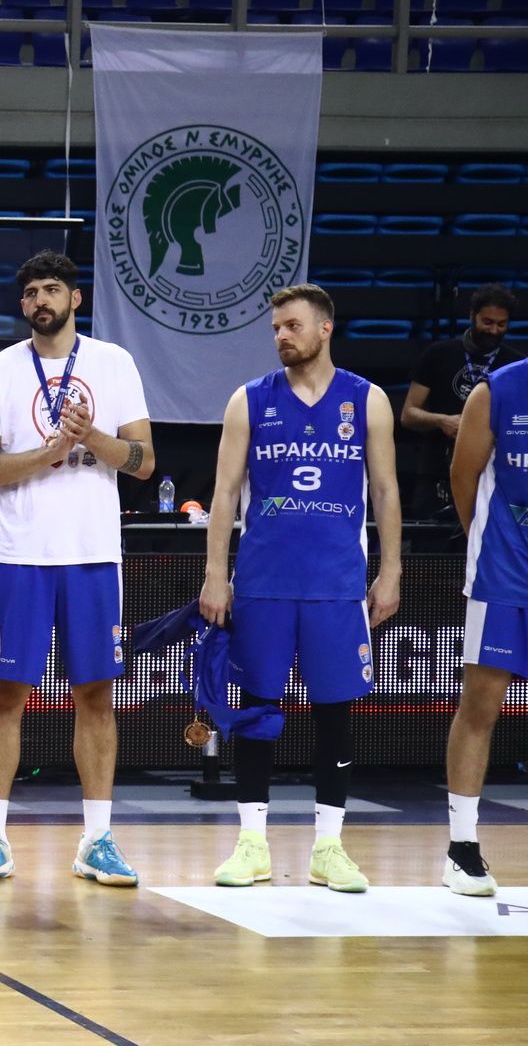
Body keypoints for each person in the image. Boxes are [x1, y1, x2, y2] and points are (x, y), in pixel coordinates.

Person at [199, 284, 403, 894]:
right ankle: (251, 843)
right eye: (276, 328)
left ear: (324, 328)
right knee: (257, 708)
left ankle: (329, 847)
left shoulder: (367, 400)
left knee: (335, 712)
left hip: (336, 584)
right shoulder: (248, 400)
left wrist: (391, 571)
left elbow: (386, 490)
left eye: (292, 325)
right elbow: (224, 493)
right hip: (263, 582)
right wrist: (215, 573)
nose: (281, 336)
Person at [0, 250, 156, 888]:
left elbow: (144, 461)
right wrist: (49, 451)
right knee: (5, 694)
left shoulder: (114, 363)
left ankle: (97, 840)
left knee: (96, 693)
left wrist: (90, 437)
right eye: (31, 292)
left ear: (75, 298)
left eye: (52, 289)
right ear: (23, 305)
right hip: (20, 553)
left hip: (92, 551)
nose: (40, 300)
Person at [442, 358, 528, 897]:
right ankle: (462, 848)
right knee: (481, 706)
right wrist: (486, 540)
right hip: (503, 572)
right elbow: (463, 476)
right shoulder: (497, 391)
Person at [402, 284, 519, 519]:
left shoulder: (515, 364)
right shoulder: (438, 354)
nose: (494, 330)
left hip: (494, 473)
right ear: (472, 316)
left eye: (501, 324)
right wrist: (441, 421)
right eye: (487, 322)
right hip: (436, 469)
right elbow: (409, 414)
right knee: (429, 539)